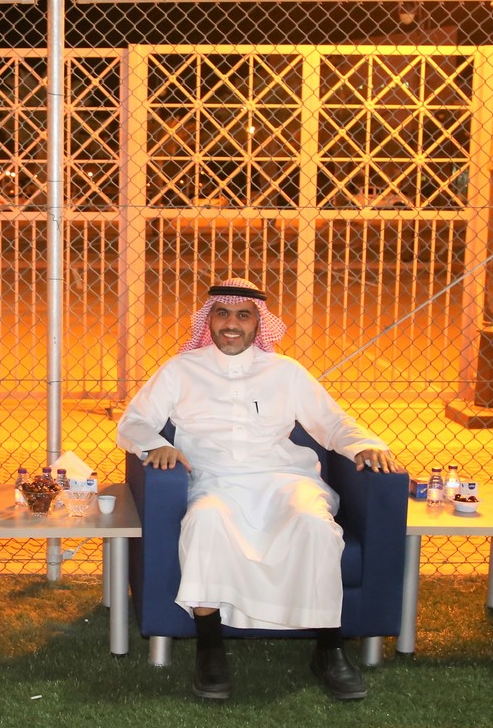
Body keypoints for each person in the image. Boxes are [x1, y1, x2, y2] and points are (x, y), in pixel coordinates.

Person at [117, 278, 402, 702]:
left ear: (258, 323)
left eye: (243, 315)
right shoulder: (180, 370)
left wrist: (365, 445)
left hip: (284, 480)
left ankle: (329, 648)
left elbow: (333, 422)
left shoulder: (285, 372)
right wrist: (157, 445)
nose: (231, 324)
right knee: (205, 521)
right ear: (209, 319)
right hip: (215, 482)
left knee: (314, 525)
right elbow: (133, 422)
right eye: (222, 313)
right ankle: (210, 648)